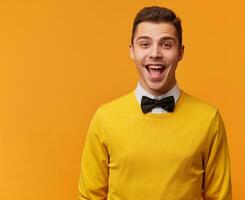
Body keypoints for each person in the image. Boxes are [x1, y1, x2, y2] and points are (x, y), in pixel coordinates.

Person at [78, 6, 232, 200]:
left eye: (166, 45)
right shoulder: (105, 118)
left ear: (181, 52)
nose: (155, 53)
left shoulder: (209, 119)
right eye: (145, 44)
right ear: (132, 51)